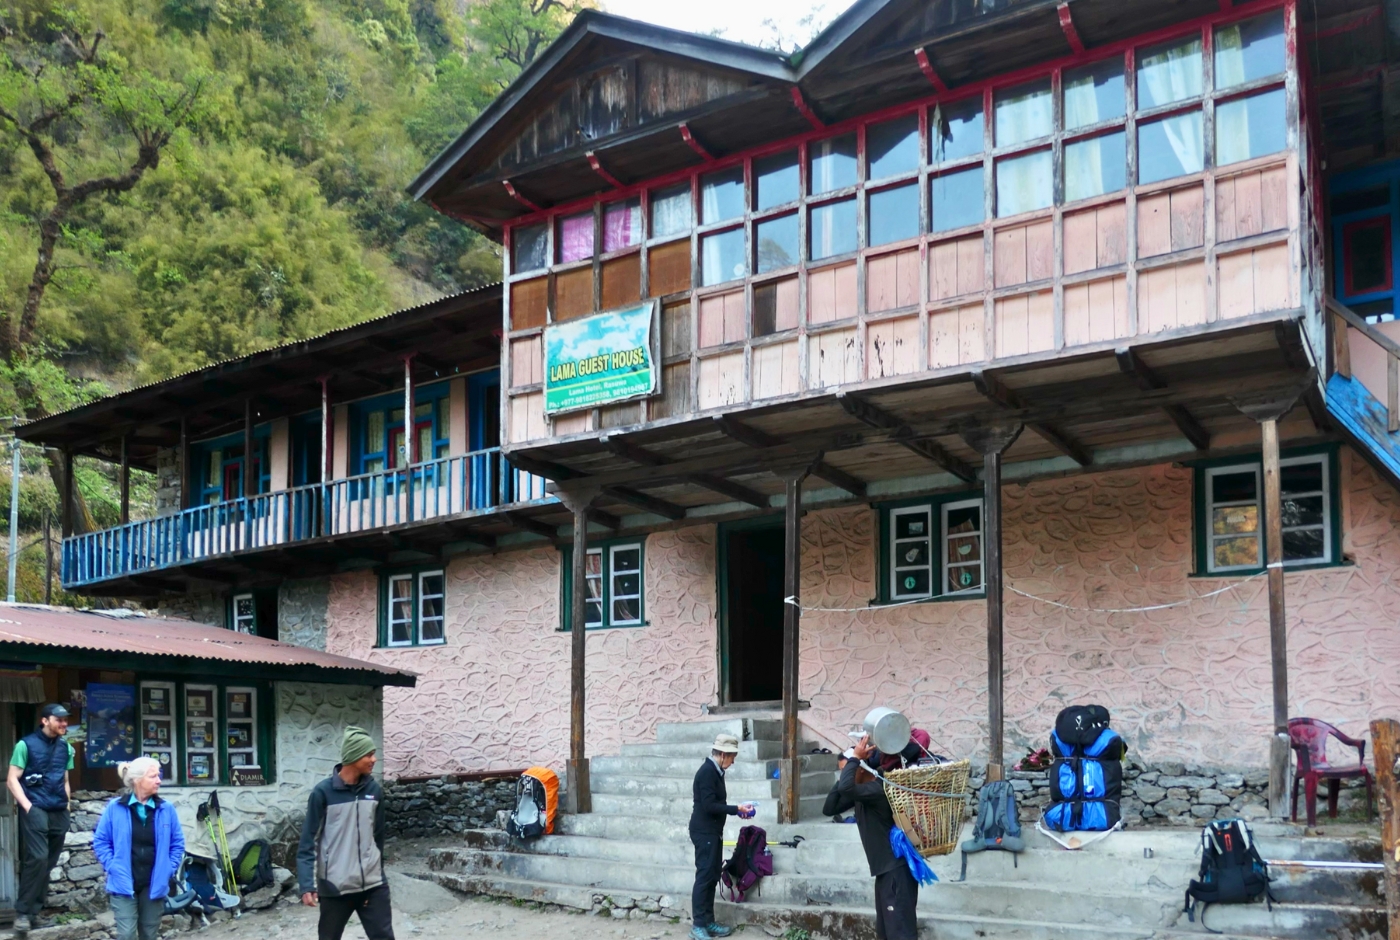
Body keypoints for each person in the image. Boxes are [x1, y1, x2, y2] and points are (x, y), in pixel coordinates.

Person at [297, 726, 394, 940]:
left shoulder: (374, 791)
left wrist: (377, 871)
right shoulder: (323, 793)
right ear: (353, 756)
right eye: (369, 754)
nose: (374, 759)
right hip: (335, 887)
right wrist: (307, 885)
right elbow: (307, 843)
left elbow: (378, 838)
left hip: (373, 885)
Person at [92, 758, 185, 940]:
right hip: (124, 882)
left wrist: (169, 868)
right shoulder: (115, 808)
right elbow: (101, 841)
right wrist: (113, 866)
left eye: (159, 775)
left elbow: (177, 844)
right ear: (137, 780)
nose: (159, 780)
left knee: (149, 935)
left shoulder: (166, 809)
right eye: (153, 776)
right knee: (126, 935)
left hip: (154, 884)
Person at [837, 735, 919, 940]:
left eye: (846, 770)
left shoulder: (878, 789)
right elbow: (830, 806)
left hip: (896, 872)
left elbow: (845, 787)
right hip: (886, 872)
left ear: (862, 769)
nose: (844, 775)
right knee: (886, 933)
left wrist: (855, 758)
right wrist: (853, 763)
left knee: (900, 933)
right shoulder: (865, 793)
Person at [7, 704, 74, 934]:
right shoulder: (24, 745)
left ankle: (33, 913)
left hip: (58, 810)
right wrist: (27, 806)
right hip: (35, 807)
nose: (64, 724)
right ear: (45, 720)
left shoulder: (67, 748)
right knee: (37, 857)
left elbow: (65, 779)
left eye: (66, 720)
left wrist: (68, 805)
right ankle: (23, 914)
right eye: (59, 720)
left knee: (47, 863)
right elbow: (12, 779)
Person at [688, 733, 755, 940]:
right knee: (705, 876)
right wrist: (736, 809)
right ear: (724, 754)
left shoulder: (716, 771)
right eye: (732, 757)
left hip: (713, 831)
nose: (733, 762)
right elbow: (709, 806)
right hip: (704, 831)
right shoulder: (707, 772)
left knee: (712, 875)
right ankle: (698, 925)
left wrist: (737, 810)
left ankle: (708, 921)